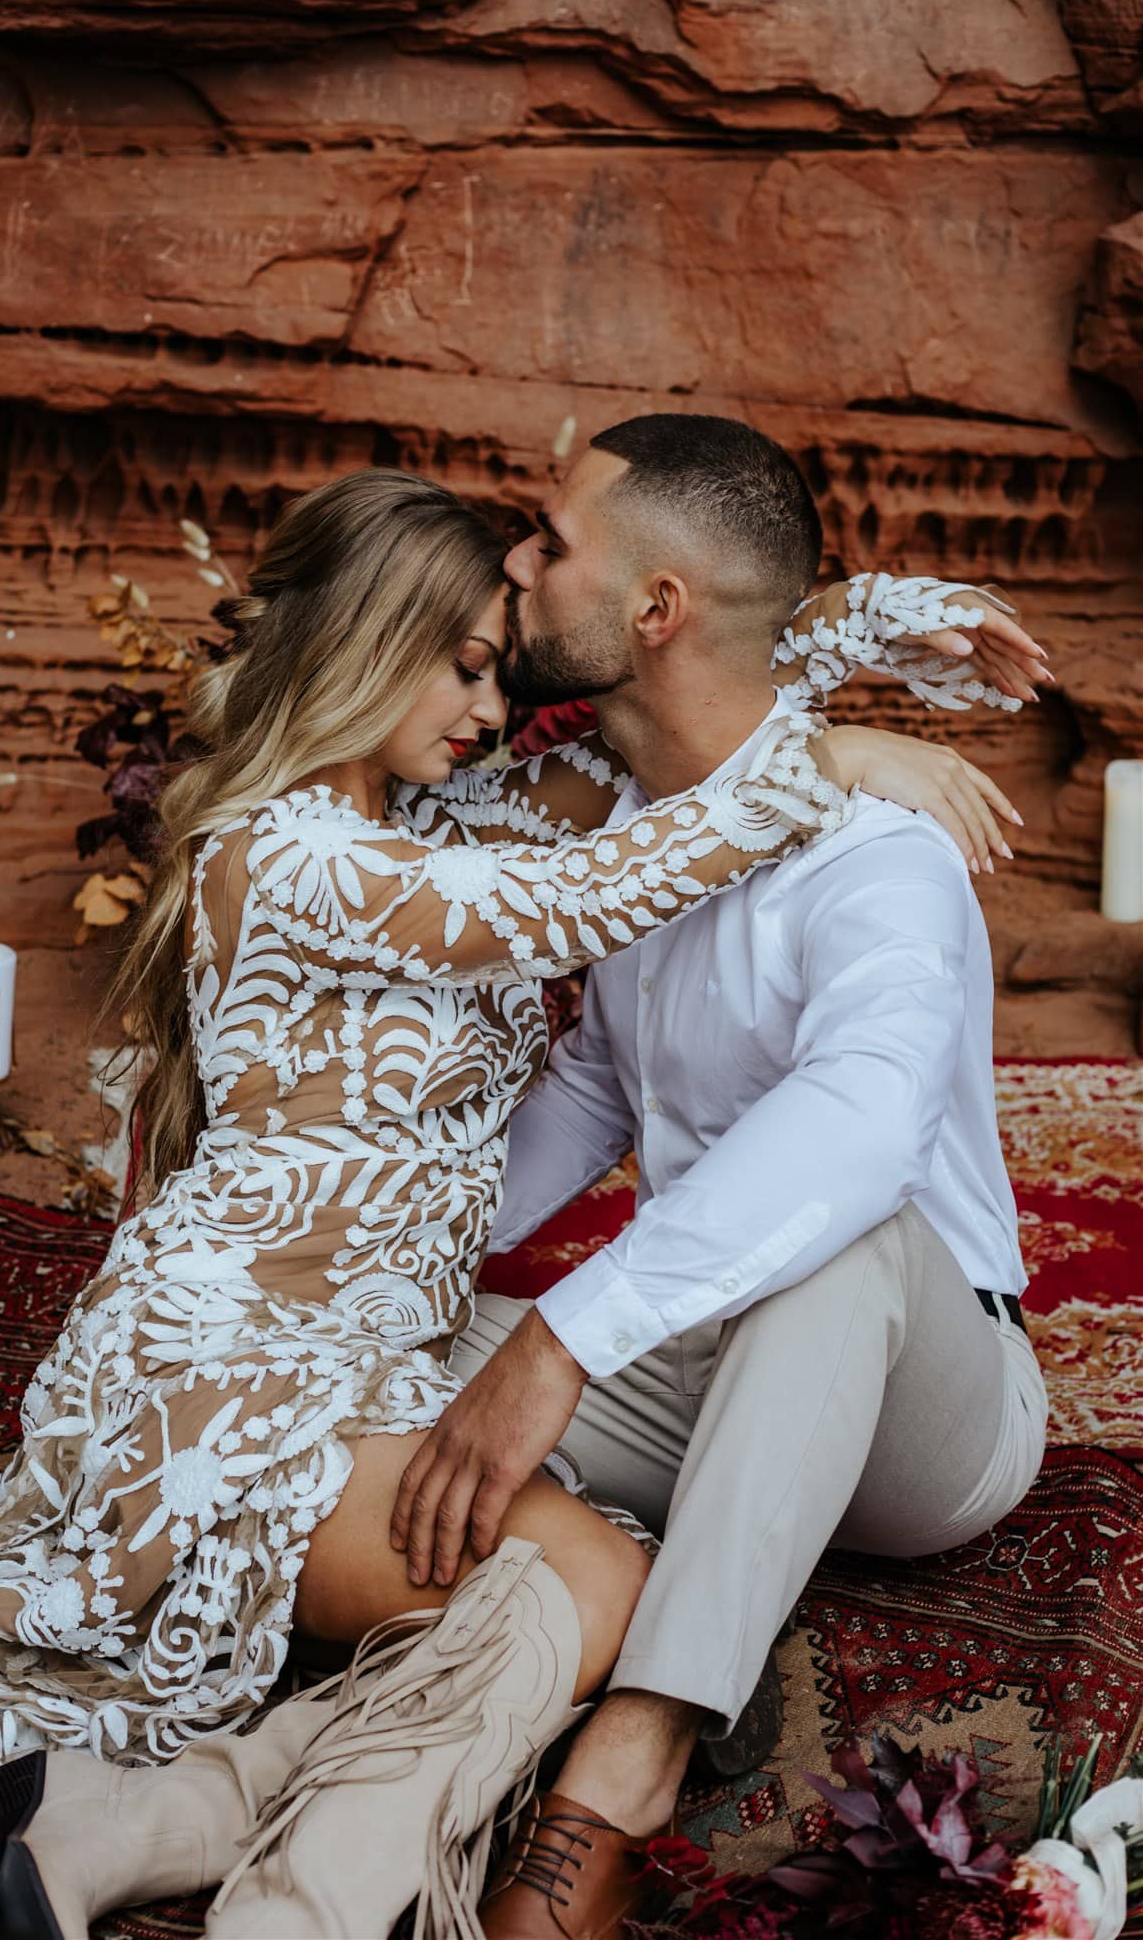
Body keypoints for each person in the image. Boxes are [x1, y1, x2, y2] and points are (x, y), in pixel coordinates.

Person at [0, 465, 1040, 1940]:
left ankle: (186, 1846)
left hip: (827, 1350)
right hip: (234, 1368)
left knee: (624, 1505)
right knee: (591, 1584)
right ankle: (285, 1876)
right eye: (460, 667)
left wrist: (833, 675)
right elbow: (595, 895)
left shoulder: (473, 818)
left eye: (498, 664)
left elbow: (691, 706)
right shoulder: (297, 852)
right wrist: (823, 752)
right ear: (364, 642)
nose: (492, 713)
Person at [380, 416, 1053, 1938]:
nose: (516, 563)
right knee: (356, 1336)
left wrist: (561, 1336)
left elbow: (864, 1125)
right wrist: (401, 1256)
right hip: (696, 1370)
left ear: (656, 609)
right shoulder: (638, 838)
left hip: (919, 1401)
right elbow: (598, 1087)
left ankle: (627, 1767)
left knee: (840, 1229)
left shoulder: (880, 851)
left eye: (550, 542)